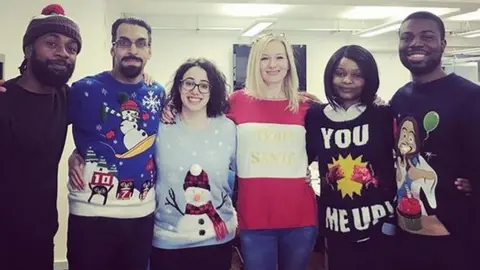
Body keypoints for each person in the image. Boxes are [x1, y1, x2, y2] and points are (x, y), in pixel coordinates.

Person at [162, 33, 318, 270]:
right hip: (254, 216)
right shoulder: (236, 101)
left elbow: (334, 129)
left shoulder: (306, 106)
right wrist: (170, 106)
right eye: (265, 58)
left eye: (279, 57)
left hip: (300, 216)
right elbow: (200, 104)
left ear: (289, 63)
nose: (273, 65)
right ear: (255, 62)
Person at [65, 17, 165, 270]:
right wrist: (74, 154)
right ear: (112, 49)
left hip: (141, 215)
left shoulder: (158, 94)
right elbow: (43, 118)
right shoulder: (83, 90)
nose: (132, 50)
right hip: (90, 216)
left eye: (140, 43)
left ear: (149, 51)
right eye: (124, 42)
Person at [391, 11, 480, 270]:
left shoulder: (470, 97)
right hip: (406, 235)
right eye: (407, 37)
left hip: (456, 239)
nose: (415, 43)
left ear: (442, 44)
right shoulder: (400, 98)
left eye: (427, 36)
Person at [0, 4, 82, 270]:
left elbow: (108, 116)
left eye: (72, 48)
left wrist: (76, 153)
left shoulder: (67, 98)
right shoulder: (4, 98)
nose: (63, 53)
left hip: (41, 233)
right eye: (51, 43)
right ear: (28, 50)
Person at [305, 45, 396, 270]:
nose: (347, 80)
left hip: (380, 227)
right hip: (336, 227)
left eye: (357, 75)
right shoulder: (316, 116)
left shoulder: (383, 114)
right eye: (340, 73)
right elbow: (301, 156)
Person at [149, 58, 237, 270]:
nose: (196, 90)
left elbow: (247, 172)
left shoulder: (229, 129)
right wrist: (79, 152)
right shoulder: (160, 126)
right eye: (189, 83)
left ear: (212, 90)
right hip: (168, 239)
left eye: (204, 85)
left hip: (217, 238)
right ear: (179, 86)